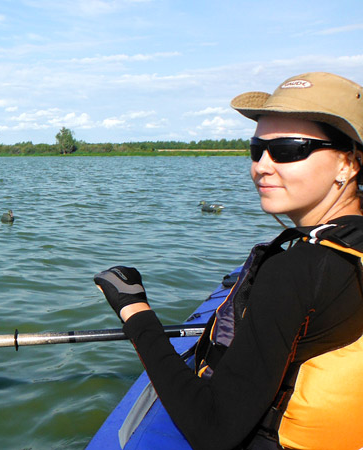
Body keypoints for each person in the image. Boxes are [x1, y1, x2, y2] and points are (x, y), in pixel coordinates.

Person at [94, 72, 363, 450]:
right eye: (257, 149)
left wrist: (134, 310)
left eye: (288, 149)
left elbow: (213, 432)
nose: (262, 166)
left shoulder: (299, 270)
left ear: (349, 163)